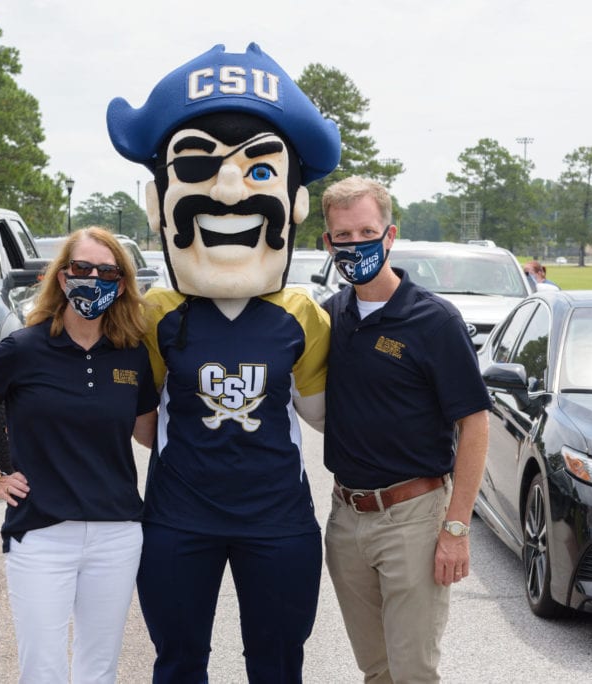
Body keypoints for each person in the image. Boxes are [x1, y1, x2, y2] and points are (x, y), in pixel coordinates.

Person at [106, 42, 340, 683]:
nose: (231, 190)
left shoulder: (303, 313)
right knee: (179, 663)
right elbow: (136, 414)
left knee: (277, 665)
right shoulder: (154, 312)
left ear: (295, 205)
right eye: (198, 166)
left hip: (278, 519)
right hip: (180, 518)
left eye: (261, 170)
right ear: (158, 205)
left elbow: (327, 415)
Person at [0, 228, 159, 684]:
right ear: (61, 278)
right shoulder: (25, 348)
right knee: (43, 670)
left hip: (116, 533)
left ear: (120, 285)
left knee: (99, 668)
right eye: (81, 269)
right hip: (41, 533)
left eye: (106, 272)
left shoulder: (132, 355)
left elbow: (149, 435)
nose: (92, 279)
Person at [320, 176, 491, 684]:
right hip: (346, 520)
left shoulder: (434, 321)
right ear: (328, 243)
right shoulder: (332, 317)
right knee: (376, 670)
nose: (355, 245)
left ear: (390, 235)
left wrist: (456, 529)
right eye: (343, 236)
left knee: (413, 671)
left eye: (366, 231)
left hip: (413, 518)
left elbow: (475, 425)